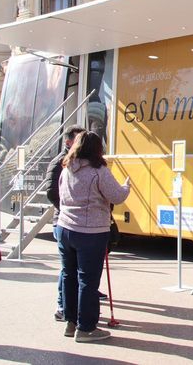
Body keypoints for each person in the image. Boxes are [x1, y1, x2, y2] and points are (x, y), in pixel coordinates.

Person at [57, 131, 130, 343]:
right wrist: (127, 186)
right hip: (90, 232)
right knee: (88, 281)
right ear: (97, 149)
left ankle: (70, 322)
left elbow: (61, 195)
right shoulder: (99, 171)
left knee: (69, 276)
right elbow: (117, 195)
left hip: (65, 228)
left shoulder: (67, 168)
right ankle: (86, 328)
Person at [45, 125, 85, 322]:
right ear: (68, 141)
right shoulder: (59, 162)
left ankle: (73, 304)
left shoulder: (78, 162)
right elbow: (51, 191)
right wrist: (66, 208)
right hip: (62, 221)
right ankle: (62, 306)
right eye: (79, 140)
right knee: (67, 269)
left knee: (74, 268)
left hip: (70, 221)